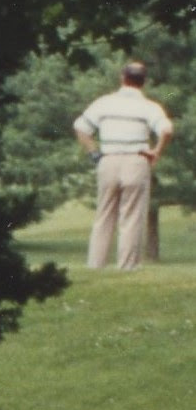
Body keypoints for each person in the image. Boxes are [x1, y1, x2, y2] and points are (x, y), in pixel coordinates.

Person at [75, 61, 173, 271]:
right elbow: (166, 130)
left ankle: (95, 265)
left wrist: (94, 153)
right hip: (136, 160)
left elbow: (81, 127)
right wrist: (156, 151)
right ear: (143, 82)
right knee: (132, 216)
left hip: (108, 159)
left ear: (122, 77)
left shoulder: (104, 103)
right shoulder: (149, 106)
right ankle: (127, 266)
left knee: (104, 215)